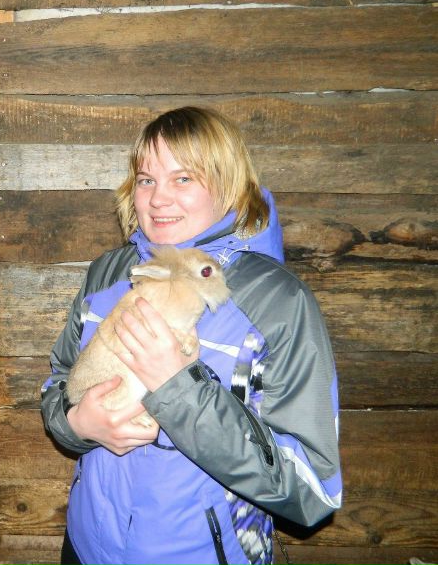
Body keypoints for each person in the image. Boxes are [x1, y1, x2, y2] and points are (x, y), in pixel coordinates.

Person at [41, 107, 342, 565]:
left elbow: (311, 491)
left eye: (183, 179)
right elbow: (58, 381)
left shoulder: (277, 302)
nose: (158, 198)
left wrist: (180, 388)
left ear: (228, 184)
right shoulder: (109, 275)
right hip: (87, 548)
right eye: (146, 180)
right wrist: (78, 425)